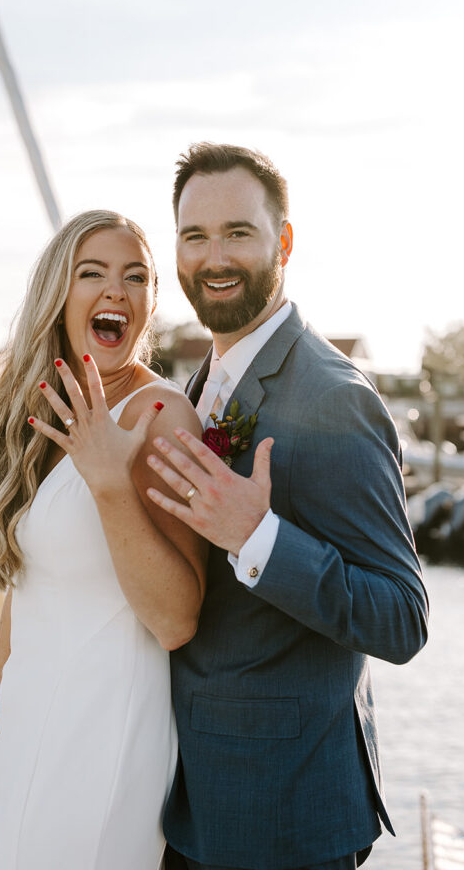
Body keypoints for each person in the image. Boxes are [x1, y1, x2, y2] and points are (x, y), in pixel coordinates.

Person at [146, 143, 429, 870]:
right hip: (190, 797)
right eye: (194, 235)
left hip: (281, 814)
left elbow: (400, 617)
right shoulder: (201, 380)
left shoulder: (332, 397)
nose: (214, 257)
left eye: (237, 232)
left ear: (283, 242)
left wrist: (258, 537)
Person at [0, 209, 208, 870]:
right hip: (26, 737)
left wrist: (110, 481)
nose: (116, 290)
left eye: (136, 277)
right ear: (60, 294)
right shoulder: (44, 409)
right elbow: (25, 594)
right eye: (92, 273)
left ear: (150, 302)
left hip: (105, 740)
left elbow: (176, 618)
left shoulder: (159, 416)